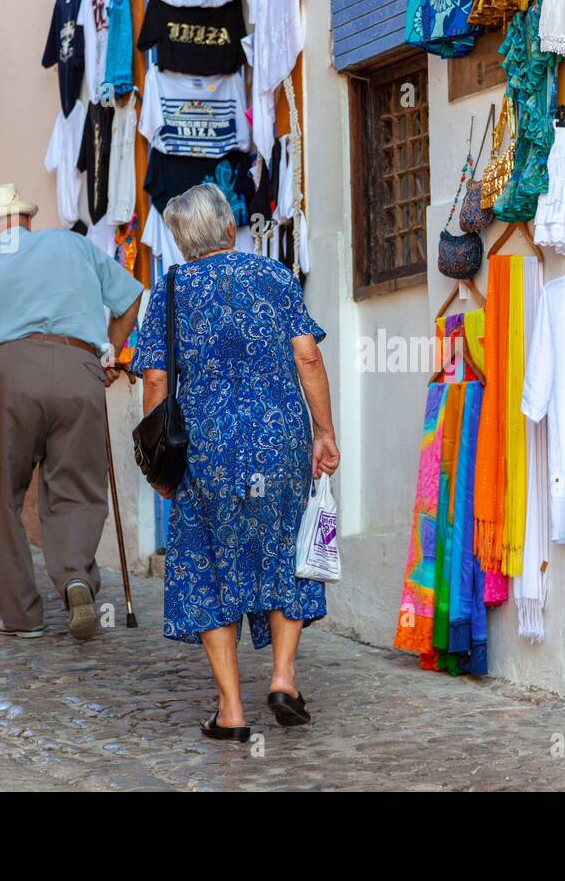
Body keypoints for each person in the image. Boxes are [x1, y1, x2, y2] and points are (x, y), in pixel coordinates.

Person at [131, 184, 339, 742]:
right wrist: (324, 432)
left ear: (178, 241)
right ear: (229, 228)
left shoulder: (169, 290)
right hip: (279, 438)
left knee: (207, 562)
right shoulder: (273, 276)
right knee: (285, 550)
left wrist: (160, 464)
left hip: (207, 448)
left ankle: (231, 710)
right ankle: (283, 678)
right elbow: (308, 354)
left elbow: (155, 378)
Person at [0, 184, 143, 641]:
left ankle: (20, 616)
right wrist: (106, 353)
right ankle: (75, 576)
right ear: (27, 221)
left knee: (4, 498)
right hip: (78, 368)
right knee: (76, 487)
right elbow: (132, 296)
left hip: (7, 375)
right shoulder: (74, 244)